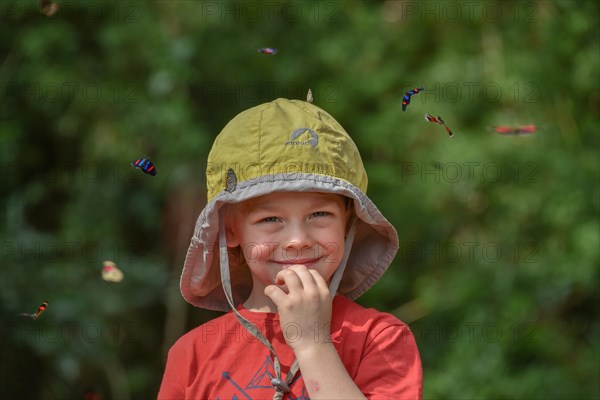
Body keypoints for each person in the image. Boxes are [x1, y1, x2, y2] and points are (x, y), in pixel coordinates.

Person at [158, 98, 423, 399]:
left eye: (319, 215)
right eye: (270, 219)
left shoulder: (379, 339)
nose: (298, 239)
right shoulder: (192, 354)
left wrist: (313, 343)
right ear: (231, 229)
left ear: (349, 224)